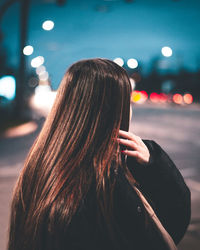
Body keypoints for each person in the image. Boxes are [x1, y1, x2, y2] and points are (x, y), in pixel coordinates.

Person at [7, 58, 191, 250]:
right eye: (126, 102)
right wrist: (156, 166)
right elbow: (168, 228)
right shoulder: (102, 180)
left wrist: (153, 163)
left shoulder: (43, 162)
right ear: (111, 110)